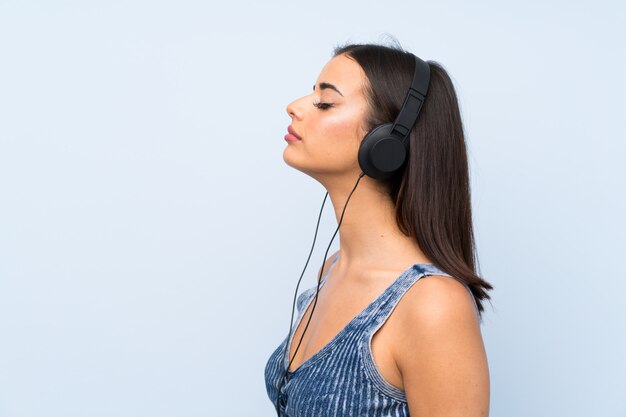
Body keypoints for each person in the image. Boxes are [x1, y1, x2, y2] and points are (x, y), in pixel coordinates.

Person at [264, 42, 493, 417]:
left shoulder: (432, 305)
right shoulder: (331, 270)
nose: (295, 105)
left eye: (325, 103)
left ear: (385, 144)